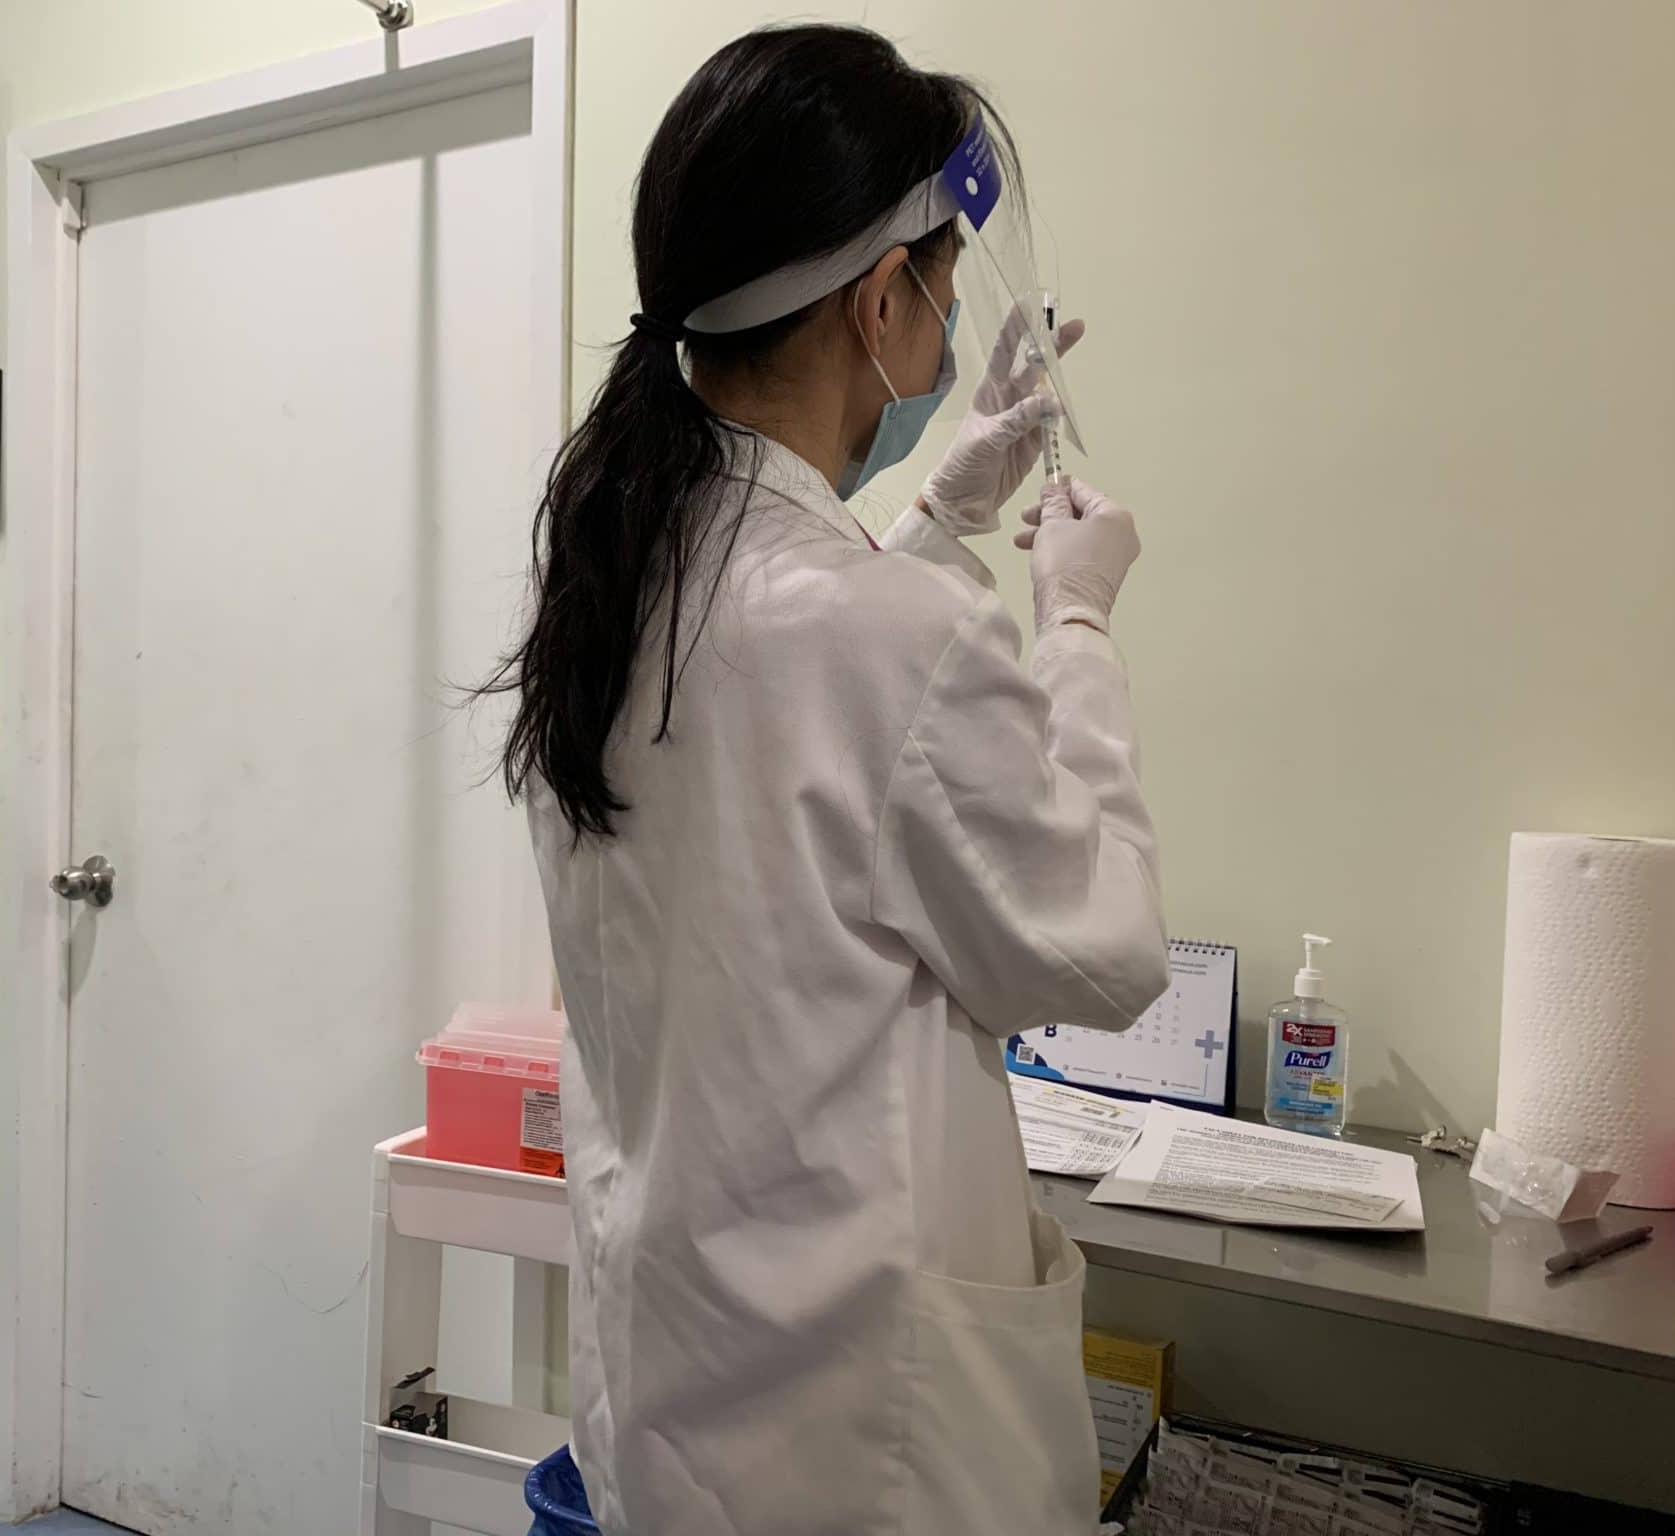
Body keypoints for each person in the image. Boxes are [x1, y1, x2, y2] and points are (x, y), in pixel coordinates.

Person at [491, 24, 1168, 1536]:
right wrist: (1076, 623)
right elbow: (1105, 949)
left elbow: (800, 723)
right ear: (882, 302)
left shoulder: (612, 587)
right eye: (935, 283)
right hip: (865, 1449)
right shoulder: (884, 634)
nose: (937, 325)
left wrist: (941, 507)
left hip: (677, 1401)